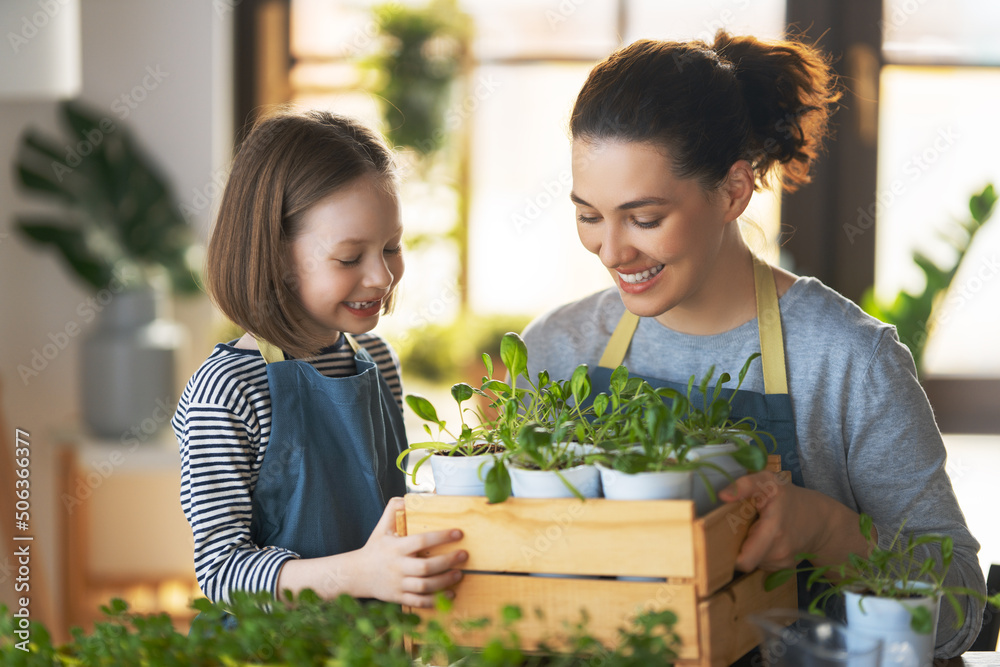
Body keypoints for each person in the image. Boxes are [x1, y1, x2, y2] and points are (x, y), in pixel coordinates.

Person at [520, 32, 986, 655]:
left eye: (645, 218)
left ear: (734, 192)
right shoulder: (558, 348)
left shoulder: (848, 360)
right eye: (588, 216)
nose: (612, 250)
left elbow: (962, 611)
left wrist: (827, 530)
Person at [172, 110, 466, 609]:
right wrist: (360, 575)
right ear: (278, 257)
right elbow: (221, 575)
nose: (381, 277)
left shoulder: (376, 359)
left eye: (391, 247)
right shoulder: (228, 389)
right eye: (350, 258)